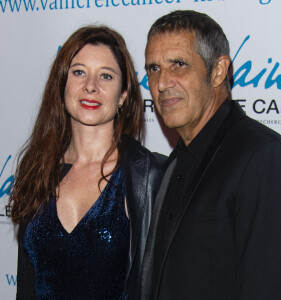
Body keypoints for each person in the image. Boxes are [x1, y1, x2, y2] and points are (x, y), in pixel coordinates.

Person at [140, 10, 281, 300]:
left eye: (178, 64)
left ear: (217, 71)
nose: (162, 83)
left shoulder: (261, 155)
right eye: (153, 68)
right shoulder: (175, 161)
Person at [10, 25, 166, 299]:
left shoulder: (148, 177)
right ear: (63, 84)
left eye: (106, 76)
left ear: (123, 95)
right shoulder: (37, 169)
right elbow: (26, 285)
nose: (90, 86)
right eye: (79, 72)